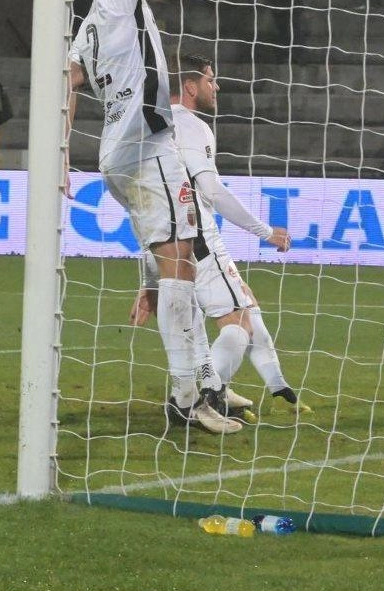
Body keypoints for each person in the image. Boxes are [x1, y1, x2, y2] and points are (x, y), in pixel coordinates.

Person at [67, 0, 240, 434]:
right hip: (146, 145)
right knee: (182, 267)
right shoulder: (115, 4)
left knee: (177, 264)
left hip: (115, 153)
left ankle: (204, 381)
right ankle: (187, 399)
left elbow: (68, 80)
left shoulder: (86, 28)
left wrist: (61, 147)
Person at [130, 54, 309, 419]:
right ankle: (207, 397)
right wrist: (264, 232)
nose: (217, 86)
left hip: (162, 236)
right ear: (191, 86)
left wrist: (149, 276)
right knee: (238, 320)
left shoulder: (152, 127)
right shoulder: (191, 125)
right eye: (211, 79)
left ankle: (268, 385)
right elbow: (210, 190)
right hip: (197, 237)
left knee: (242, 305)